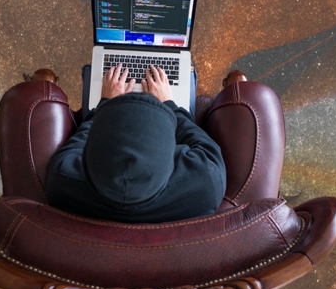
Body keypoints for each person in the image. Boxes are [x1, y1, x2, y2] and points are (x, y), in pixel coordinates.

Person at [43, 64, 225, 223]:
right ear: (172, 153)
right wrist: (169, 103)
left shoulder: (62, 180)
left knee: (92, 74)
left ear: (89, 155)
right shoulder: (206, 181)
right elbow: (198, 138)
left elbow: (79, 139)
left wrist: (106, 102)